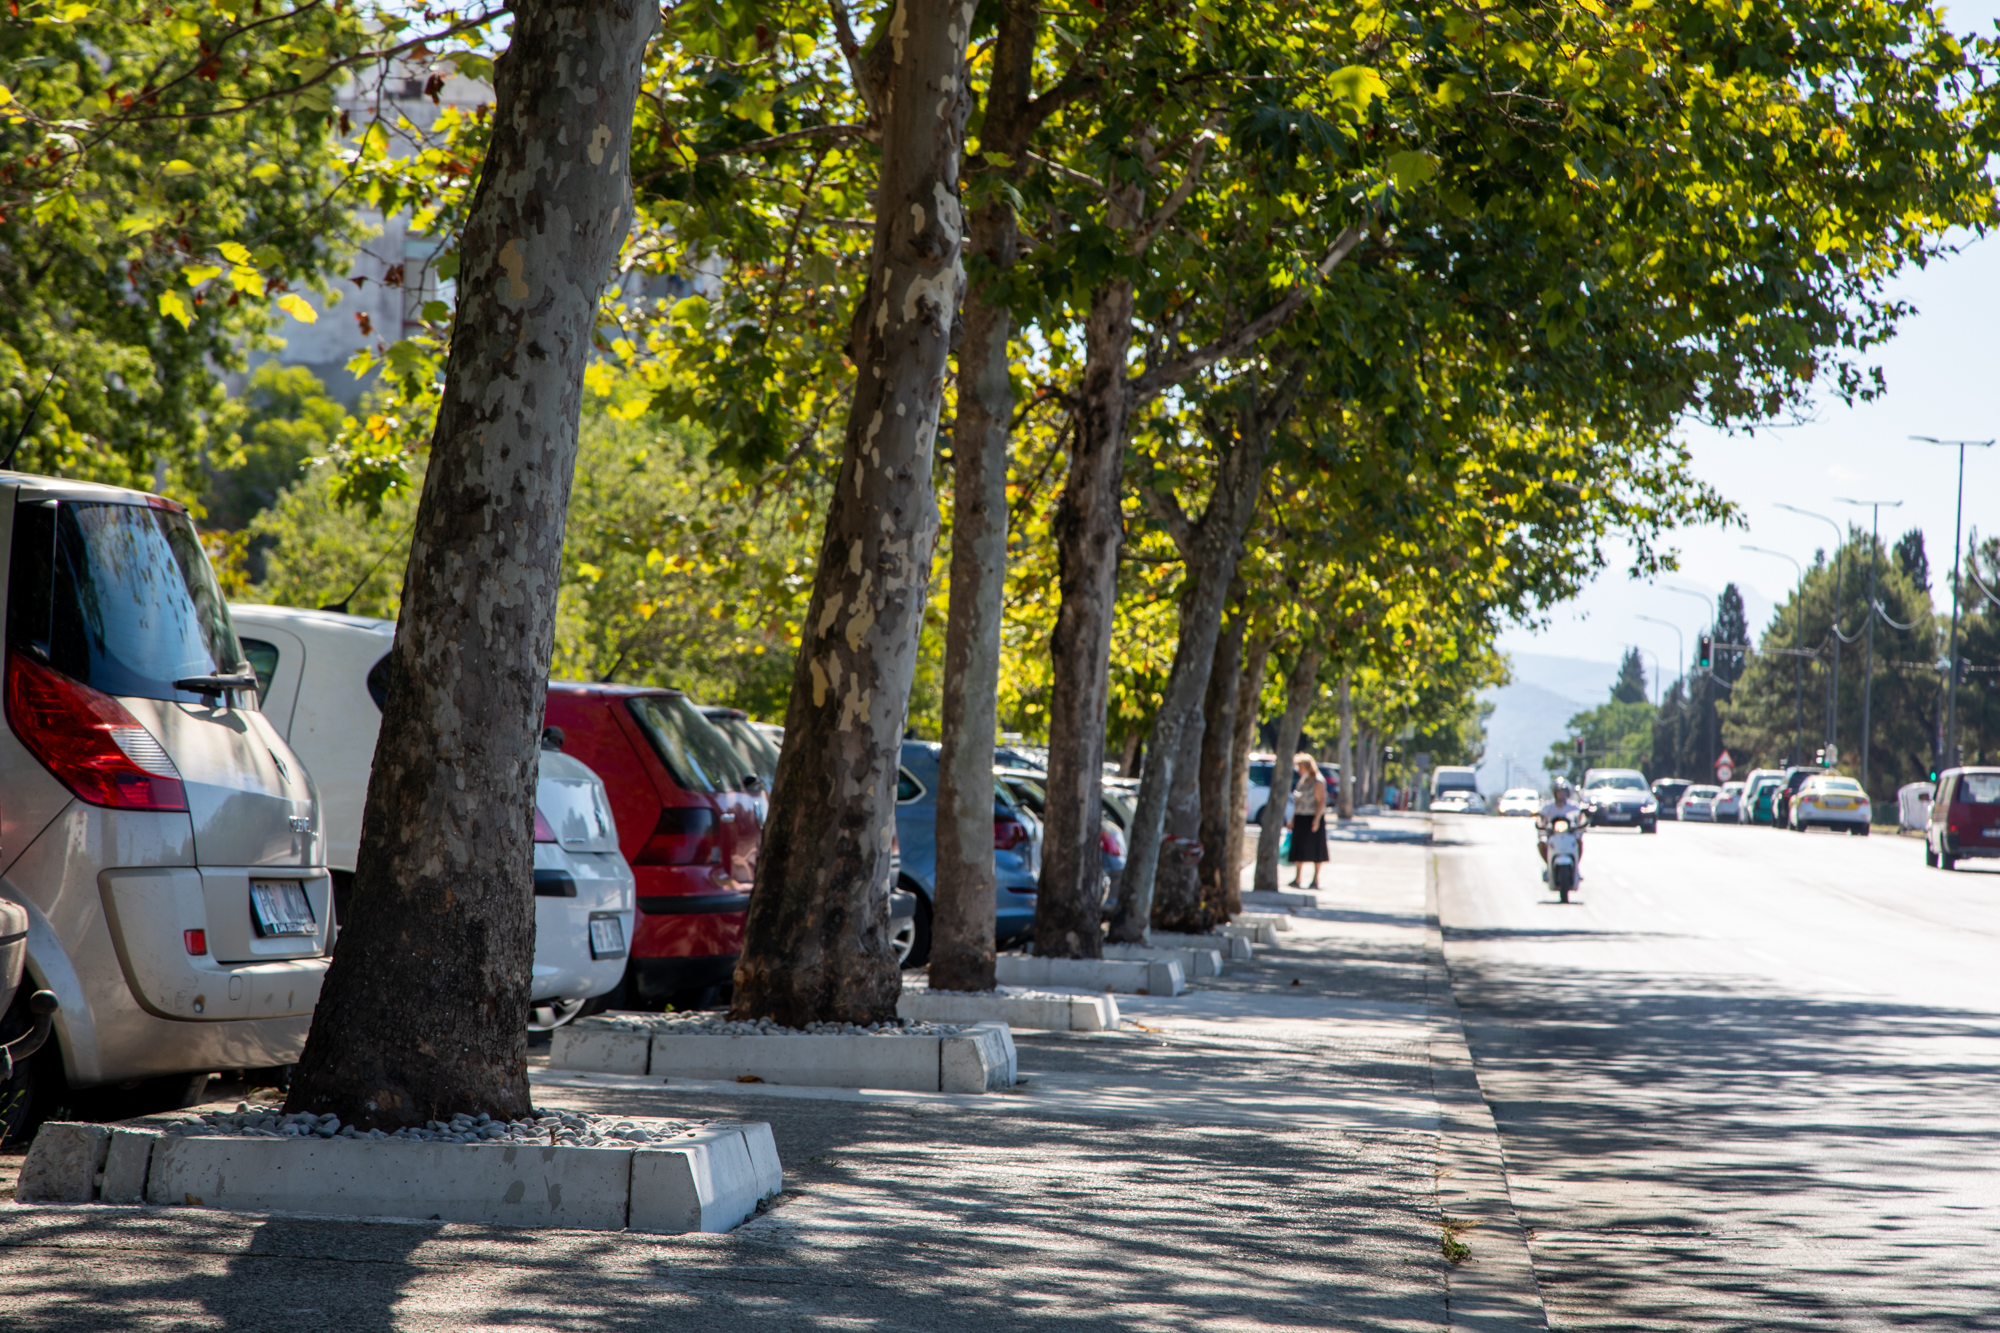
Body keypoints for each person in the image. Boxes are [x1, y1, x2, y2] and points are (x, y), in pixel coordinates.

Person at [1289, 753, 1329, 888]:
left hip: (1312, 818)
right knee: (1298, 849)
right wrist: (1292, 819)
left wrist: (1317, 819)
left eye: (1300, 767)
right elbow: (1298, 802)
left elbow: (1321, 801)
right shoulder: (1303, 780)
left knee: (1317, 849)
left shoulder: (1318, 781)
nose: (1298, 770)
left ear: (1307, 766)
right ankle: (1297, 878)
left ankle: (1315, 879)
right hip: (1300, 817)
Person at [1536, 777, 1587, 870]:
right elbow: (1540, 818)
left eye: (1563, 792)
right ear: (1555, 793)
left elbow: (1581, 817)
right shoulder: (1548, 806)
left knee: (1579, 842)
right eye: (1559, 792)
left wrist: (1582, 823)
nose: (1561, 794)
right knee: (1541, 843)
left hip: (1570, 834)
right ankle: (1549, 865)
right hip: (1552, 834)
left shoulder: (1573, 806)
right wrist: (1539, 824)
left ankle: (1575, 865)